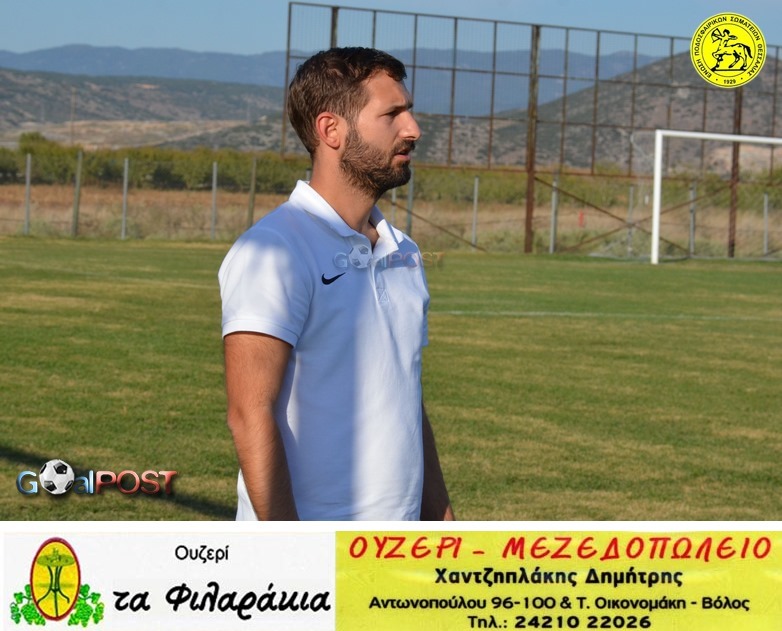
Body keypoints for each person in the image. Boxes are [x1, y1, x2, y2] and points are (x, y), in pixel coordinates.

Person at [218, 47, 454, 521]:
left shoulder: (405, 252)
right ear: (331, 131)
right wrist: (293, 553)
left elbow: (406, 398)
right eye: (392, 114)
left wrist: (441, 523)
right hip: (312, 553)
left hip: (397, 549)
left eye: (408, 111)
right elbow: (249, 416)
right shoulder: (274, 250)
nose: (413, 129)